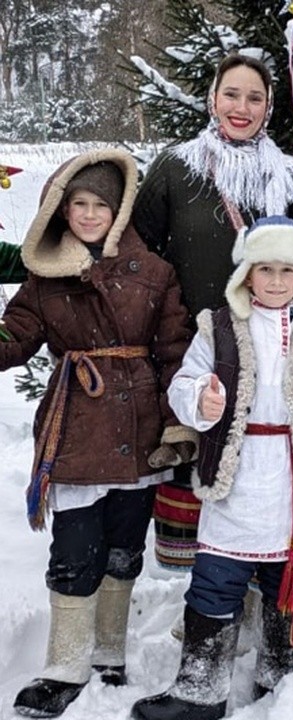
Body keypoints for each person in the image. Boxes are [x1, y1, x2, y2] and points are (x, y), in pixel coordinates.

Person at [131, 216, 293, 720]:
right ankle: (200, 691)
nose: (274, 281)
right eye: (264, 268)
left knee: (291, 581)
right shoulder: (218, 326)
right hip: (240, 476)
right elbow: (183, 385)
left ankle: (280, 675)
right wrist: (201, 399)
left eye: (287, 270)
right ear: (245, 273)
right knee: (215, 578)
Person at [0, 149, 192, 718]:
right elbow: (14, 336)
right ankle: (64, 666)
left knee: (123, 546)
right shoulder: (45, 273)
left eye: (99, 205)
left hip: (140, 427)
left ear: (120, 210)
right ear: (62, 210)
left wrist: (178, 424)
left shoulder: (155, 273)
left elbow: (175, 350)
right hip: (79, 426)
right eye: (78, 204)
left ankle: (109, 652)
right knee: (74, 548)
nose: (88, 215)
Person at [132, 52, 293, 573]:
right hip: (197, 350)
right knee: (206, 470)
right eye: (232, 94)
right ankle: (211, 597)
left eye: (255, 97)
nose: (242, 107)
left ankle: (265, 590)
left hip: (273, 352)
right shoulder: (177, 168)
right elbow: (139, 254)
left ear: (268, 107)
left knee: (266, 477)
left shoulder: (290, 177)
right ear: (213, 98)